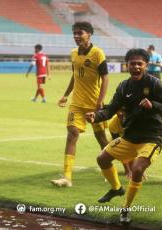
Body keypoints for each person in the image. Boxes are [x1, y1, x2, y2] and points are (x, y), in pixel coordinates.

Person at [85, 48, 162, 223]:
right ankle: (117, 188)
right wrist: (96, 115)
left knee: (138, 169)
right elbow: (110, 109)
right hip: (130, 136)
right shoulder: (124, 86)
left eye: (139, 64)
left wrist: (153, 105)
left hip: (152, 137)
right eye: (132, 63)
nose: (135, 67)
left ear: (146, 65)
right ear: (127, 65)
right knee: (102, 158)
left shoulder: (156, 84)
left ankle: (125, 208)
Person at [51, 21, 109, 187]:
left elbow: (105, 78)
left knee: (101, 139)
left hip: (94, 104)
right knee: (72, 133)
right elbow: (75, 75)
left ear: (89, 34)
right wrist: (65, 95)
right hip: (77, 103)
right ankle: (67, 177)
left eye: (80, 33)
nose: (76, 36)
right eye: (74, 33)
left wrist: (99, 102)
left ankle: (109, 168)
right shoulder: (73, 53)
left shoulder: (98, 53)